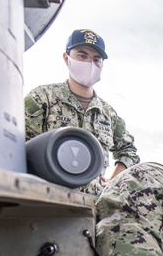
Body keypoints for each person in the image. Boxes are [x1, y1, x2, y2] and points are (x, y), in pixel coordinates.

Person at [24, 28, 139, 196]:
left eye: (96, 59)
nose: (90, 63)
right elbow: (19, 145)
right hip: (48, 200)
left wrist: (113, 181)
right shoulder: (42, 98)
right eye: (82, 56)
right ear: (67, 58)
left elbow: (129, 151)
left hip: (93, 205)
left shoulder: (108, 114)